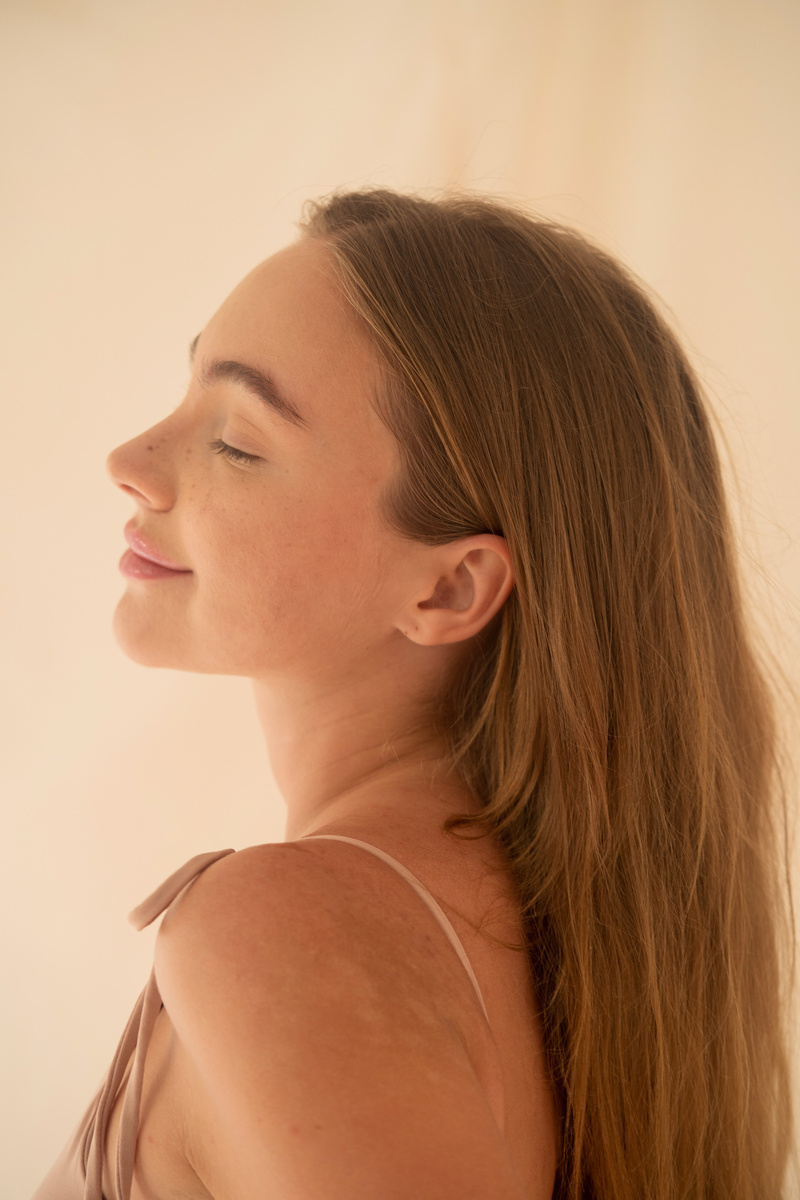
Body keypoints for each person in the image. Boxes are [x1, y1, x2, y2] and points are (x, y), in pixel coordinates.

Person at [34, 187, 795, 1200]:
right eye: (187, 396)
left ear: (448, 586)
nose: (129, 462)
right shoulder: (569, 952)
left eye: (237, 440)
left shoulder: (279, 928)